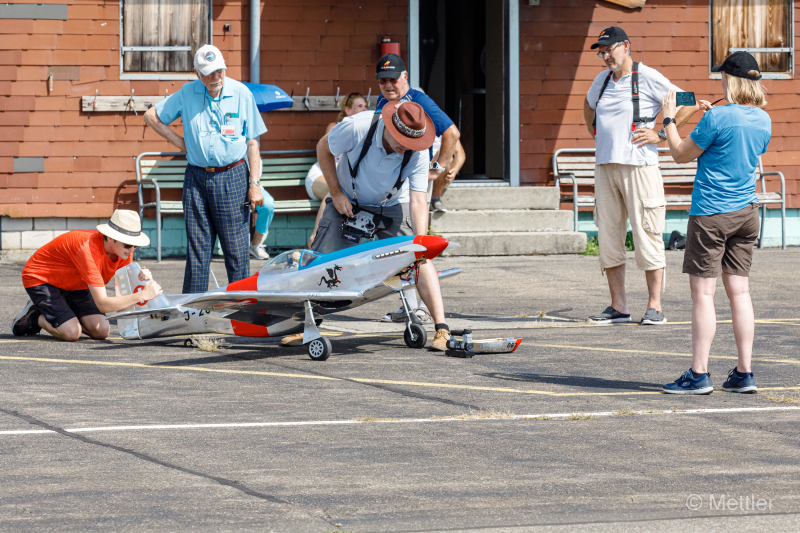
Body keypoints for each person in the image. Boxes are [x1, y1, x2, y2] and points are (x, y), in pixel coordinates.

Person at [661, 52, 770, 395]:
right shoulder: (763, 120)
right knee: (740, 292)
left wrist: (668, 119)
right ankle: (744, 373)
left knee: (703, 295)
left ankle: (699, 373)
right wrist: (711, 120)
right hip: (746, 213)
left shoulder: (718, 118)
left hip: (711, 215)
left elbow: (679, 153)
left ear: (730, 80)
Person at [305, 101, 453, 351]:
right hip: (348, 199)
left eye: (409, 144)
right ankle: (306, 326)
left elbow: (418, 199)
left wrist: (419, 243)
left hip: (392, 203)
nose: (403, 148)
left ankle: (442, 328)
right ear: (388, 124)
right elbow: (323, 148)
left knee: (420, 257)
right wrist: (336, 193)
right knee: (320, 262)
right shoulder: (356, 127)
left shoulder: (418, 151)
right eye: (399, 140)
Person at [583, 26, 698, 326]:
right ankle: (618, 307)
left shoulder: (646, 76)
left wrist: (661, 133)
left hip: (640, 167)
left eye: (609, 49)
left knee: (647, 233)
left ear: (626, 46)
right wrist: (598, 134)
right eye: (601, 51)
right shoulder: (602, 80)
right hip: (606, 166)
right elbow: (588, 105)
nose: (604, 55)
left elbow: (689, 101)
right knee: (608, 236)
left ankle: (655, 307)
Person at [143, 44, 267, 293]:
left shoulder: (241, 93)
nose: (215, 78)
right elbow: (151, 116)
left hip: (232, 176)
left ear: (225, 68)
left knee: (236, 251)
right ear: (197, 73)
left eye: (219, 71)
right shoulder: (187, 92)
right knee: (198, 251)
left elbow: (252, 143)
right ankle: (193, 313)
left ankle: (242, 310)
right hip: (197, 178)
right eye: (208, 73)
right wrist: (181, 143)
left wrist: (254, 184)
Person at [374, 55, 462, 323]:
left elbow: (452, 133)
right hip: (389, 187)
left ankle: (424, 311)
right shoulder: (382, 102)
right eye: (382, 80)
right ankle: (409, 307)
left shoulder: (418, 100)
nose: (388, 85)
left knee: (414, 247)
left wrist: (437, 167)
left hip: (411, 186)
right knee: (396, 252)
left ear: (405, 77)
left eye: (393, 79)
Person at [12, 210, 163, 342]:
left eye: (135, 245)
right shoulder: (89, 250)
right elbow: (103, 304)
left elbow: (124, 303)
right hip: (42, 279)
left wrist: (141, 281)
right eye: (128, 245)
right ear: (111, 237)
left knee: (102, 331)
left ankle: (64, 312)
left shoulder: (124, 253)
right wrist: (142, 295)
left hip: (76, 283)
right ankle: (35, 316)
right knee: (72, 333)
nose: (132, 249)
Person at [306, 92, 369, 247]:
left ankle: (346, 244)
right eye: (359, 106)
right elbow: (329, 155)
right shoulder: (334, 127)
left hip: (345, 179)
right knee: (333, 192)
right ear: (348, 111)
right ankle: (314, 239)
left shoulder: (364, 130)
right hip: (322, 175)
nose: (364, 109)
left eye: (365, 106)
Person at [248, 186, 275, 260]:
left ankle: (255, 244)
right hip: (232, 186)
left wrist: (254, 187)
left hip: (254, 186)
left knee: (267, 204)